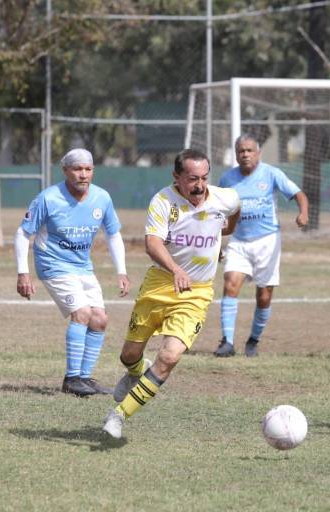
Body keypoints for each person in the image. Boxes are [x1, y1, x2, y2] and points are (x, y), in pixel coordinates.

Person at [102, 148, 240, 439]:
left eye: (204, 178)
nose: (200, 185)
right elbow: (152, 243)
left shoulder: (223, 198)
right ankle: (135, 371)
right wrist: (176, 270)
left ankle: (119, 415)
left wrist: (223, 232)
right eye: (192, 179)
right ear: (176, 177)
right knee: (129, 355)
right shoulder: (163, 201)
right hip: (159, 285)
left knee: (169, 357)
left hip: (196, 293)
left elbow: (236, 207)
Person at [15, 148, 130, 397]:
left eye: (88, 169)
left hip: (82, 266)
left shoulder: (102, 198)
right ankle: (71, 379)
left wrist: (122, 271)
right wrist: (23, 273)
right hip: (52, 264)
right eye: (77, 169)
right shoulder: (48, 198)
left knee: (99, 319)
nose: (83, 174)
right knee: (82, 313)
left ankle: (85, 379)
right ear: (65, 170)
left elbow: (113, 234)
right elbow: (23, 233)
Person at [213, 134, 309, 358]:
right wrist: (215, 242)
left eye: (249, 150)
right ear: (236, 154)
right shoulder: (227, 179)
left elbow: (299, 194)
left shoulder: (271, 174)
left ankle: (253, 340)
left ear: (258, 153)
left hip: (267, 241)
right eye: (241, 151)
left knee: (264, 296)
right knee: (230, 283)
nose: (245, 154)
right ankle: (227, 342)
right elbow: (216, 213)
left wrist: (303, 213)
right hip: (239, 240)